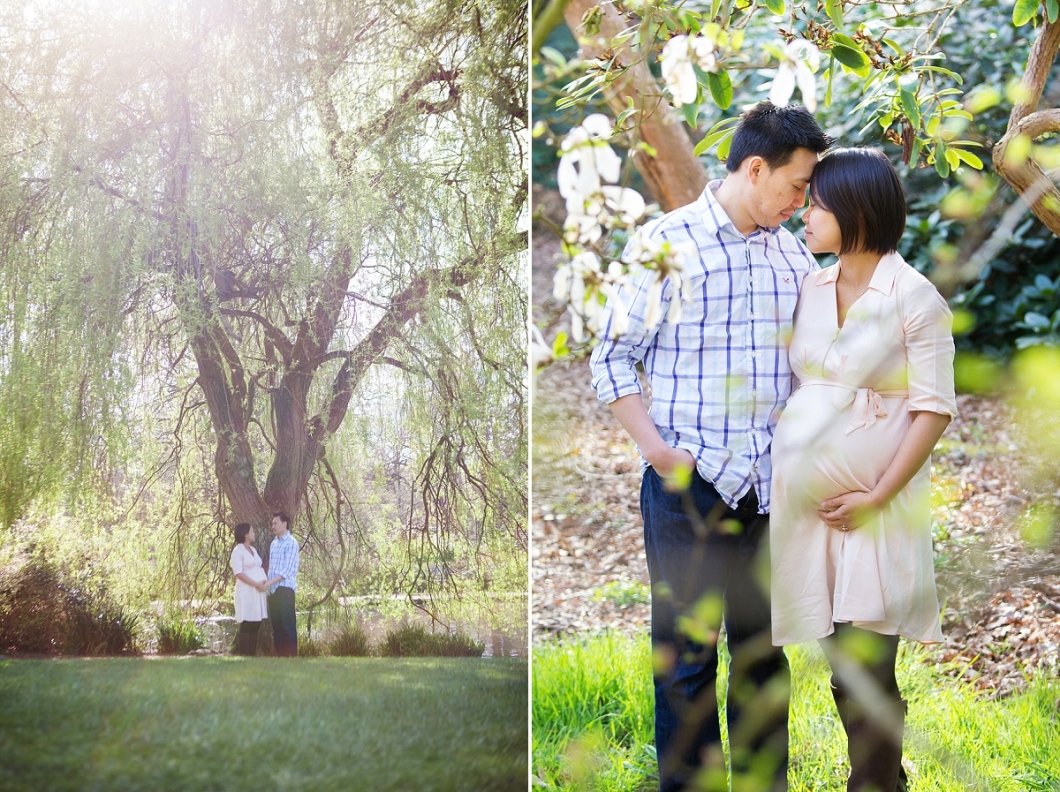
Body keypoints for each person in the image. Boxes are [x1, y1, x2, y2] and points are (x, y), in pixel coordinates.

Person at [589, 101, 832, 792]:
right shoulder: (666, 245)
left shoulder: (788, 251)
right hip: (687, 489)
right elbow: (611, 358)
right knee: (687, 661)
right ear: (755, 168)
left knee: (762, 655)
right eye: (794, 185)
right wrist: (661, 455)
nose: (800, 201)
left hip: (767, 489)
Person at [769, 147, 956, 791]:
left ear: (856, 211)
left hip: (878, 510)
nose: (805, 215)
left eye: (818, 205)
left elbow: (933, 411)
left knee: (868, 666)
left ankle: (876, 783)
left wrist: (876, 495)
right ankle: (883, 780)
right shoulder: (812, 286)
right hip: (811, 514)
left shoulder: (915, 298)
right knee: (840, 664)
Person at [262, 511, 300, 657]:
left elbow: (288, 570)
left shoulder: (291, 542)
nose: (273, 526)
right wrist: (267, 583)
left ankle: (292, 657)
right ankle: (281, 658)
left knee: (287, 625)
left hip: (285, 589)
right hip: (272, 590)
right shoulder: (274, 543)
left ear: (284, 524)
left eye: (275, 523)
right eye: (272, 524)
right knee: (277, 626)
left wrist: (270, 582)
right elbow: (272, 568)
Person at [230, 522, 269, 656]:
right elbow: (239, 573)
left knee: (256, 621)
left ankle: (252, 655)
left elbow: (257, 567)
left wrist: (263, 580)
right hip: (247, 591)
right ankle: (244, 655)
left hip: (258, 591)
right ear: (245, 534)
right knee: (247, 621)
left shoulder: (253, 550)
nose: (254, 534)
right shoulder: (238, 551)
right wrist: (254, 583)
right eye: (252, 531)